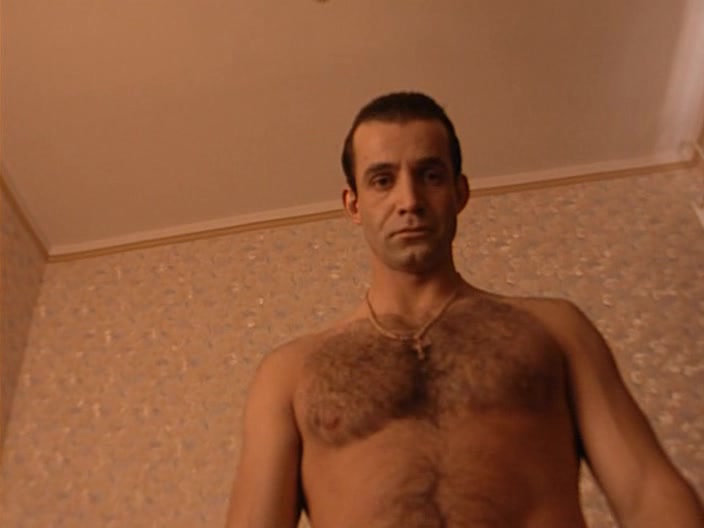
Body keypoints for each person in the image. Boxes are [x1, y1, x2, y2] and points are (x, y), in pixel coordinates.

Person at [226, 92, 704, 527]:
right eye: (383, 180)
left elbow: (647, 493)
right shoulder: (290, 373)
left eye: (430, 175)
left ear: (459, 192)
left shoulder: (555, 329)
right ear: (353, 204)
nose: (409, 200)